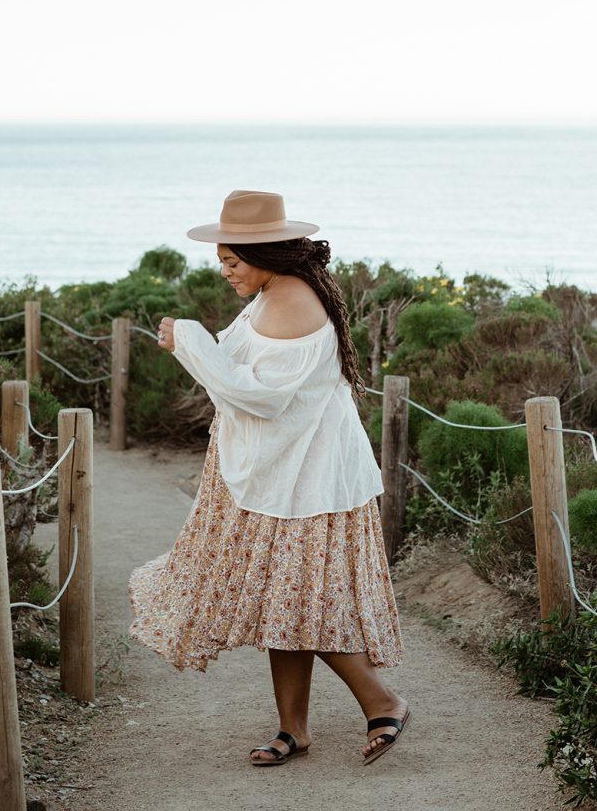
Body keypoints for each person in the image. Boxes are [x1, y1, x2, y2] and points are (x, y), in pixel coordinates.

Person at [128, 190, 408, 766]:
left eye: (232, 261)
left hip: (309, 482)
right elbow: (237, 356)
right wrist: (192, 343)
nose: (226, 272)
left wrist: (188, 340)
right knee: (288, 603)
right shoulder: (271, 293)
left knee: (298, 603)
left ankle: (383, 701)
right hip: (290, 476)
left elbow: (256, 395)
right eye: (222, 262)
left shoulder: (289, 301)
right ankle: (294, 729)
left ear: (265, 252)